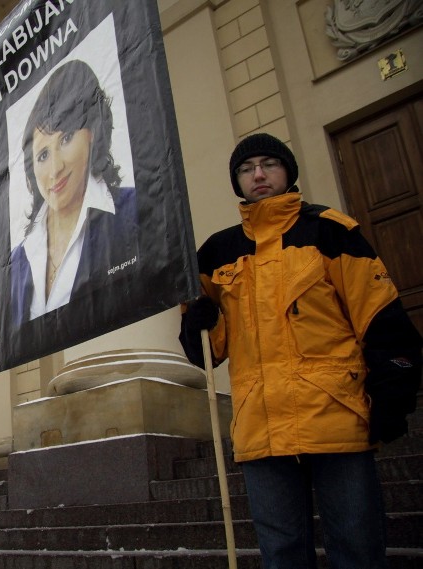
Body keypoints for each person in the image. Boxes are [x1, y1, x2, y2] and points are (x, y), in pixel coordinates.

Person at [179, 132, 422, 567]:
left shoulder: (330, 230)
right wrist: (197, 320)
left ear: (288, 171)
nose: (258, 174)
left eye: (268, 164)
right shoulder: (218, 251)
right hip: (261, 428)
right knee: (282, 556)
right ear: (237, 181)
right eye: (246, 168)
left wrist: (394, 394)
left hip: (336, 416)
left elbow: (380, 316)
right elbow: (208, 352)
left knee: (357, 550)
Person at [10, 59, 138, 327]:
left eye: (66, 139)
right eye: (43, 155)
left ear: (91, 133)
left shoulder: (134, 211)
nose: (55, 168)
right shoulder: (19, 260)